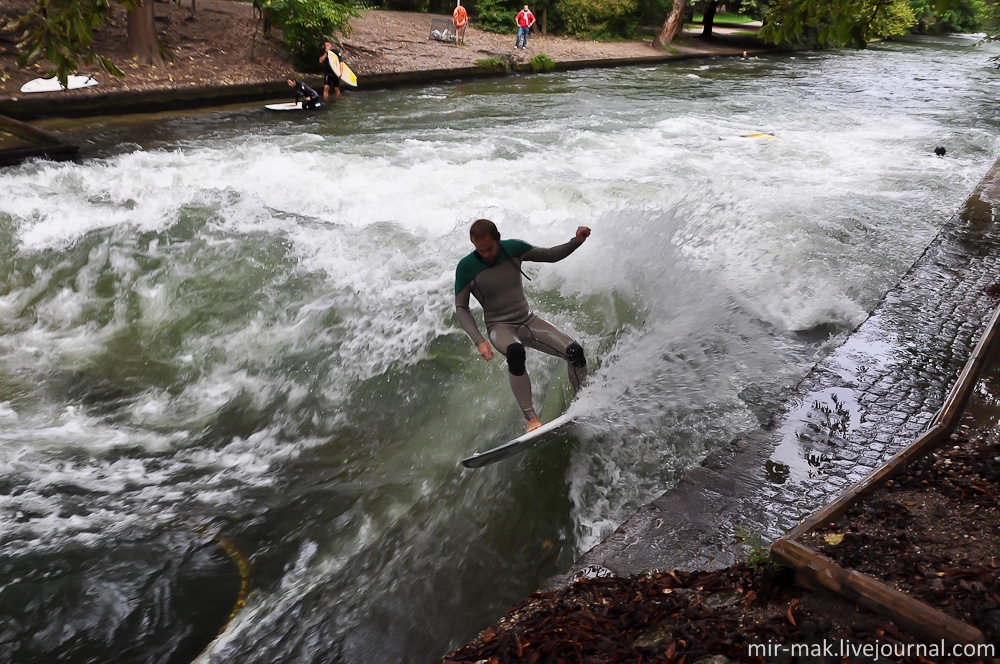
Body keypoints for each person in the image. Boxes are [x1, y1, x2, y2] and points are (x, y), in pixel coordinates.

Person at [455, 219, 591, 433]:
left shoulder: (513, 249)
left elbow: (551, 255)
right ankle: (531, 420)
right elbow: (461, 308)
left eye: (489, 248)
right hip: (500, 328)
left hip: (528, 321)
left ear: (498, 239)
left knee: (575, 351)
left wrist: (577, 241)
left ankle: (582, 403)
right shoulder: (466, 267)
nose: (486, 254)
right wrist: (479, 340)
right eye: (479, 250)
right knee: (516, 353)